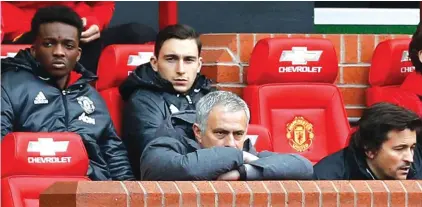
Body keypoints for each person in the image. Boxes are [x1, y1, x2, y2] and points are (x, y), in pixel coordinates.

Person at [1, 5, 134, 181]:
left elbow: (114, 155)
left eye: (68, 45)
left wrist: (130, 197)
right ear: (34, 50)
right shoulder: (9, 87)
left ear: (78, 54)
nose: (58, 52)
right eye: (49, 44)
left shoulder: (91, 96)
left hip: (92, 193)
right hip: (34, 190)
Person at [139, 91, 313, 181]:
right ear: (198, 132)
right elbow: (183, 168)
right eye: (220, 133)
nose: (230, 143)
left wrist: (243, 172)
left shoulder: (245, 153)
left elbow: (303, 166)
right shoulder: (168, 143)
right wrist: (240, 156)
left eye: (238, 134)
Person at [120, 23, 214, 179]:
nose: (181, 69)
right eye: (171, 59)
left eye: (189, 60)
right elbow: (160, 158)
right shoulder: (142, 100)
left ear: (199, 65)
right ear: (155, 63)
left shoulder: (210, 97)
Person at [1, 1, 156, 73]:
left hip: (78, 29)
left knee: (138, 34)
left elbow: (102, 4)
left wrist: (95, 22)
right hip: (25, 33)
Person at [314, 103, 422, 180]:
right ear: (370, 150)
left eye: (412, 147)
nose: (410, 158)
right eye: (399, 149)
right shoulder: (327, 180)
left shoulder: (418, 160)